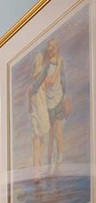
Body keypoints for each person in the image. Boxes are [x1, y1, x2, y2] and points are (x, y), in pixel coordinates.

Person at [42, 36, 69, 171]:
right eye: (49, 46)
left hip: (58, 99)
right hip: (48, 102)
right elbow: (50, 81)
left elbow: (63, 81)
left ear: (57, 48)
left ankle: (59, 160)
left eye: (52, 46)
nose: (50, 48)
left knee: (58, 131)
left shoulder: (60, 63)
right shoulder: (47, 65)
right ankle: (49, 161)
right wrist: (58, 64)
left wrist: (65, 97)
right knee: (51, 133)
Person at [28, 51, 50, 173]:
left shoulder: (33, 86)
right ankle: (37, 166)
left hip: (37, 110)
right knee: (39, 138)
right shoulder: (39, 82)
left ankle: (37, 166)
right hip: (39, 110)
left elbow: (29, 106)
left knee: (38, 138)